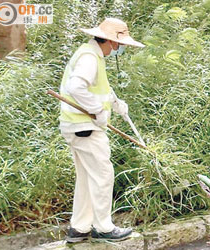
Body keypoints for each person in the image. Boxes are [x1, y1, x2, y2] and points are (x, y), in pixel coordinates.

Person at [58, 18, 145, 243]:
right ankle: (103, 227)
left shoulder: (92, 54)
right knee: (103, 175)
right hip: (85, 127)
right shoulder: (89, 57)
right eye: (121, 44)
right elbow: (76, 87)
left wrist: (115, 103)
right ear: (111, 42)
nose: (121, 48)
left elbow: (98, 87)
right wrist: (97, 110)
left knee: (87, 178)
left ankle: (79, 228)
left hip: (77, 127)